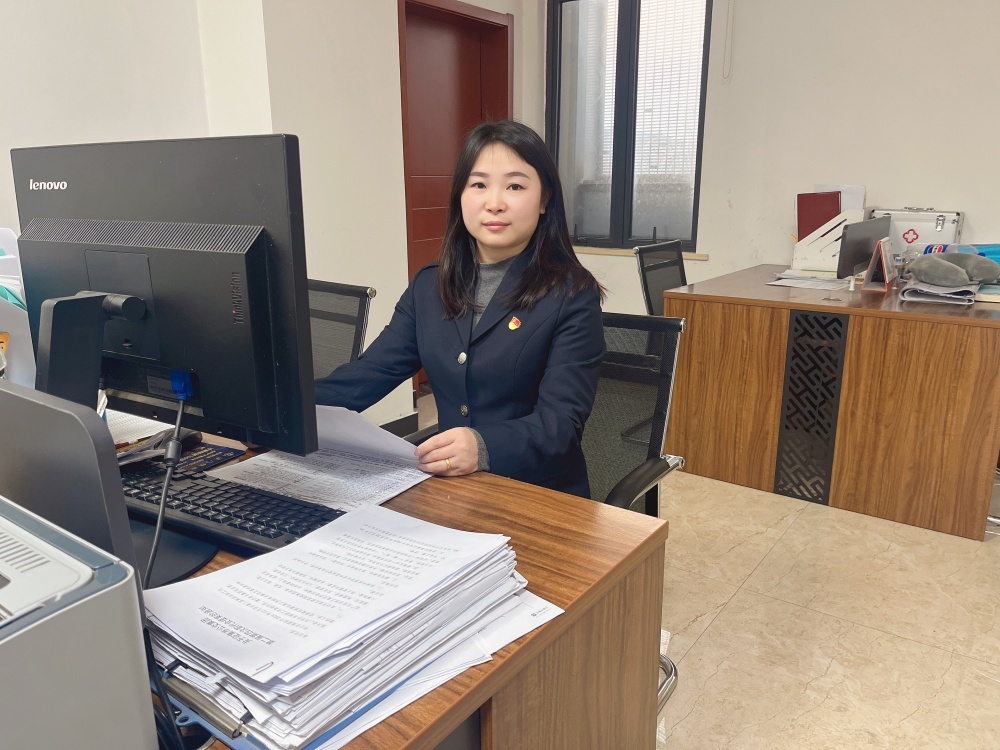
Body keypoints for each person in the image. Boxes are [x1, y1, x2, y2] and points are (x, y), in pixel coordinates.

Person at [315, 120, 605, 497]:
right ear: (460, 196)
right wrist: (284, 409)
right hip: (453, 488)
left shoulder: (572, 294)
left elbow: (560, 424)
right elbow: (370, 373)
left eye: (515, 186)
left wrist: (483, 446)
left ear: (544, 199)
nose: (494, 203)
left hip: (538, 493)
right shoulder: (430, 285)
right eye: (478, 185)